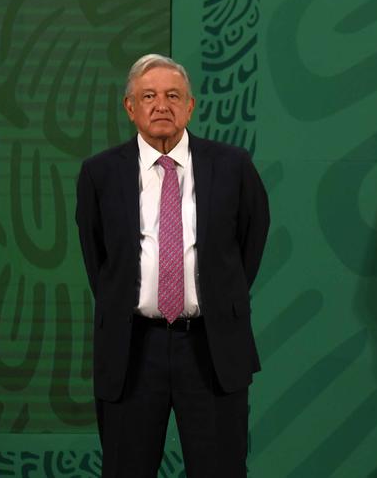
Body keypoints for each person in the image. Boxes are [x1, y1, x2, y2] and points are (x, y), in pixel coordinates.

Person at [76, 54, 269, 477]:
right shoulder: (99, 174)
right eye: (148, 96)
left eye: (172, 96)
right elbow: (99, 260)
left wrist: (218, 296)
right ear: (130, 107)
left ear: (190, 106)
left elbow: (250, 242)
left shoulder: (233, 166)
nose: (161, 105)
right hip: (132, 350)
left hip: (211, 347)